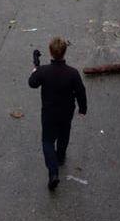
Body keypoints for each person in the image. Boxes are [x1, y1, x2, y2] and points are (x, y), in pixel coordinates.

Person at [28, 36, 87, 191]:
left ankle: (53, 172)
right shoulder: (72, 73)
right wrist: (82, 109)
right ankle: (60, 157)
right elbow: (81, 92)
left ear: (50, 52)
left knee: (47, 141)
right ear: (65, 52)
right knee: (64, 134)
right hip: (66, 111)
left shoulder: (44, 71)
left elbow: (32, 83)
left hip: (49, 113)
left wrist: (35, 69)